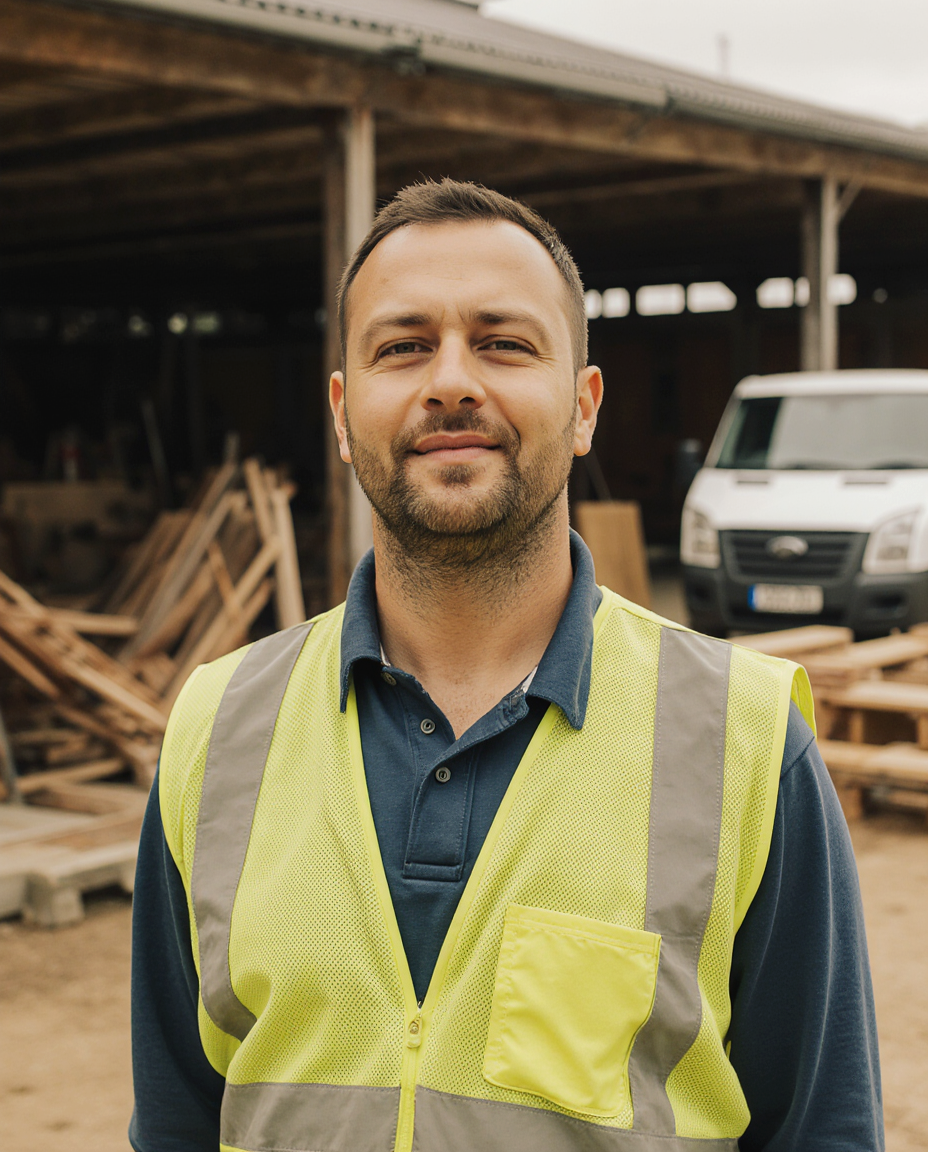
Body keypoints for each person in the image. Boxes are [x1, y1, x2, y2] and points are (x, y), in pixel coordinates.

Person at [130, 179, 883, 1152]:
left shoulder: (745, 743)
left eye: (504, 344)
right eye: (403, 347)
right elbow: (175, 1123)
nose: (451, 381)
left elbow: (823, 1129)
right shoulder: (216, 729)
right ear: (342, 411)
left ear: (583, 407)